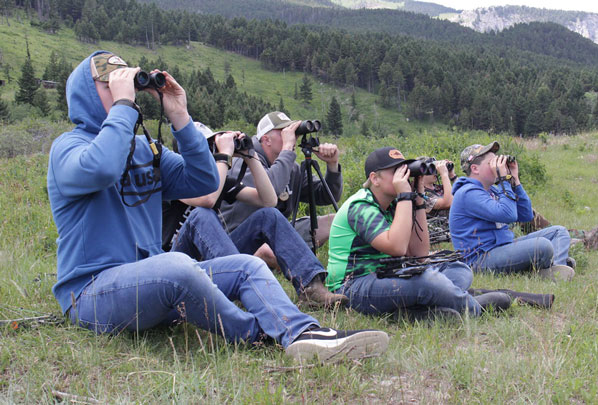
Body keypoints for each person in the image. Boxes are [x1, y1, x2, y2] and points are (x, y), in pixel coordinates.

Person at [46, 51, 388, 363]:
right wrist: (121, 107)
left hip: (151, 282)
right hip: (91, 292)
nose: (126, 92)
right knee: (178, 266)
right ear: (88, 94)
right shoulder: (68, 147)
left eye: (125, 84)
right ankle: (257, 335)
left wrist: (180, 115)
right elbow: (103, 166)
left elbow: (203, 182)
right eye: (109, 85)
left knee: (245, 266)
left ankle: (305, 334)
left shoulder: (145, 149)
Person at [162, 122, 348, 307]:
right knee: (202, 215)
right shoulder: (174, 179)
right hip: (174, 266)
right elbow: (208, 199)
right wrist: (224, 155)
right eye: (207, 147)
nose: (211, 153)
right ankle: (243, 289)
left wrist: (250, 157)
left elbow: (268, 200)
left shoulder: (220, 180)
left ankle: (311, 287)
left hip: (213, 264)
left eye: (212, 146)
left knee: (269, 215)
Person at [325, 147, 512, 319]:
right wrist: (405, 196)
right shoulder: (360, 206)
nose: (404, 177)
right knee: (427, 281)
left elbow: (419, 255)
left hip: (388, 274)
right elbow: (397, 248)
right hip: (353, 286)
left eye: (406, 170)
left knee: (459, 270)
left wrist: (418, 199)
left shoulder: (393, 203)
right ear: (375, 179)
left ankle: (414, 312)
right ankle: (473, 309)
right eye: (396, 172)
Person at [449, 141, 575, 282]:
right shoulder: (468, 193)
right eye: (492, 163)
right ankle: (551, 268)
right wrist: (504, 180)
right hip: (480, 259)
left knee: (559, 232)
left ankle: (555, 268)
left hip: (501, 248)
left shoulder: (492, 190)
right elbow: (508, 215)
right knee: (542, 246)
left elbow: (525, 215)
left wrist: (514, 180)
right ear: (475, 168)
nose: (497, 166)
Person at [219, 111, 343, 252]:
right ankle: (305, 267)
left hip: (275, 234)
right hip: (242, 241)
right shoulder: (244, 163)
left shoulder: (291, 168)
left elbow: (326, 196)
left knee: (336, 221)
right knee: (268, 251)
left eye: (293, 132)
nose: (292, 137)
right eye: (284, 132)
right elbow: (271, 191)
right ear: (266, 140)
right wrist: (287, 150)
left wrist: (332, 166)